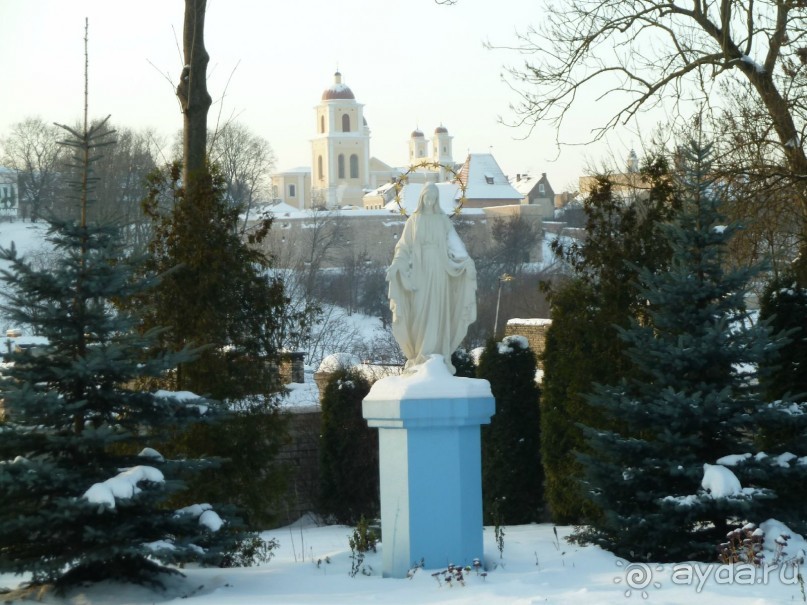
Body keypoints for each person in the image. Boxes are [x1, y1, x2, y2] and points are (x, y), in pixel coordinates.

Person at [387, 182, 477, 374]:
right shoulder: (414, 220)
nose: (430, 201)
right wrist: (397, 264)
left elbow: (454, 244)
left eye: (433, 198)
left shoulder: (443, 220)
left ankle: (438, 354)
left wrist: (466, 261)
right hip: (420, 272)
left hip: (440, 269)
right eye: (427, 197)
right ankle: (420, 354)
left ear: (437, 200)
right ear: (422, 198)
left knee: (437, 308)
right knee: (419, 310)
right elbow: (403, 246)